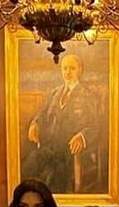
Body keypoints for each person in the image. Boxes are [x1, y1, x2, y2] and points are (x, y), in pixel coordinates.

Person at [23, 53, 98, 193]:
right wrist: (35, 124)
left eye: (72, 68)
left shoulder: (89, 96)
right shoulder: (54, 94)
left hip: (69, 152)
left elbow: (97, 125)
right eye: (65, 68)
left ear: (80, 70)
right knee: (27, 168)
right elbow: (41, 114)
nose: (68, 72)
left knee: (52, 180)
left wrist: (83, 136)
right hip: (48, 149)